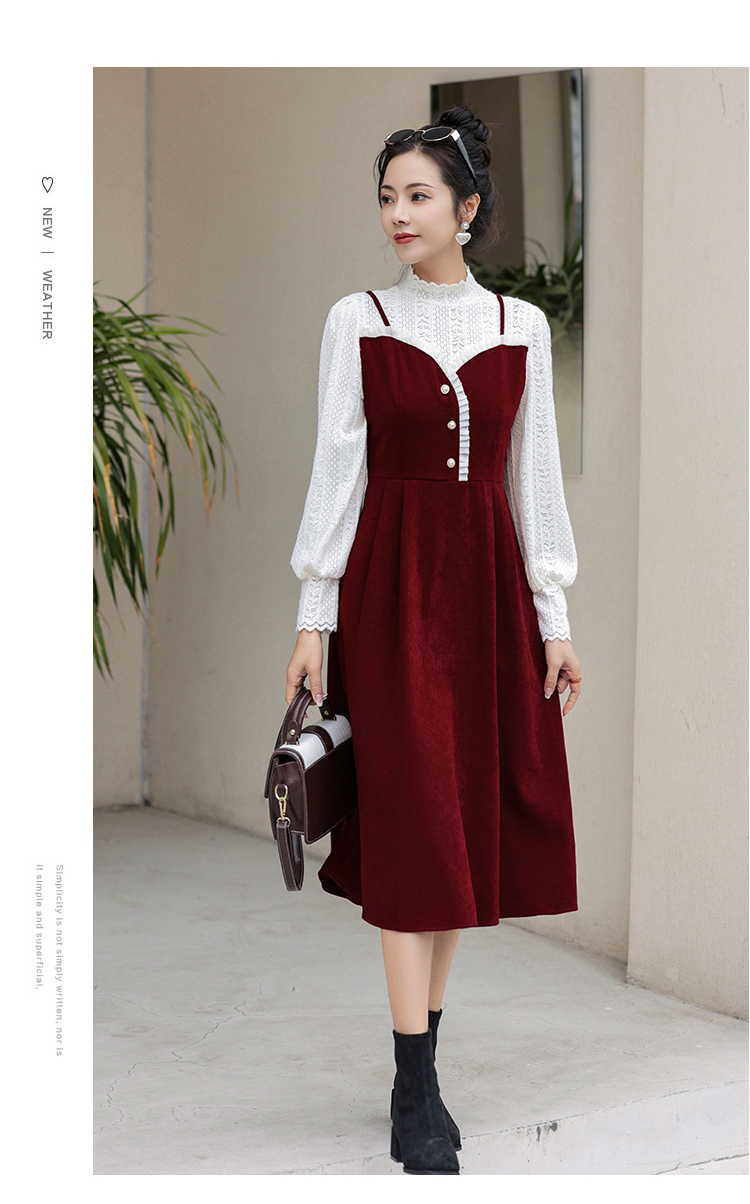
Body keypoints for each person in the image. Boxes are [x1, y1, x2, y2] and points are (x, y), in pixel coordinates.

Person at [284, 106, 582, 1175]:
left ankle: (423, 1063)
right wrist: (315, 616)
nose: (397, 215)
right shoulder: (356, 320)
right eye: (386, 197)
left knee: (456, 834)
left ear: (467, 208)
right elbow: (338, 474)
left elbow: (534, 480)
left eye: (417, 195)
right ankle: (415, 1086)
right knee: (414, 828)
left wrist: (555, 620)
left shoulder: (519, 326)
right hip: (394, 593)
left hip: (489, 600)